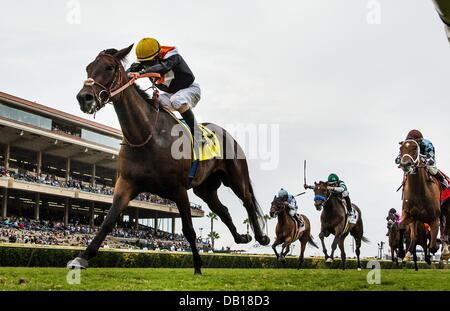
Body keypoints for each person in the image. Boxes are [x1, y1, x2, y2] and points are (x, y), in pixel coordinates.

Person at [127, 37, 203, 178]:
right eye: (144, 63)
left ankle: (197, 134)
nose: (146, 65)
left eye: (149, 62)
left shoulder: (173, 57)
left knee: (176, 100)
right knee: (155, 102)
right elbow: (128, 72)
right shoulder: (145, 63)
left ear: (157, 55)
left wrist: (141, 73)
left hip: (190, 89)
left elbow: (164, 67)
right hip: (171, 93)